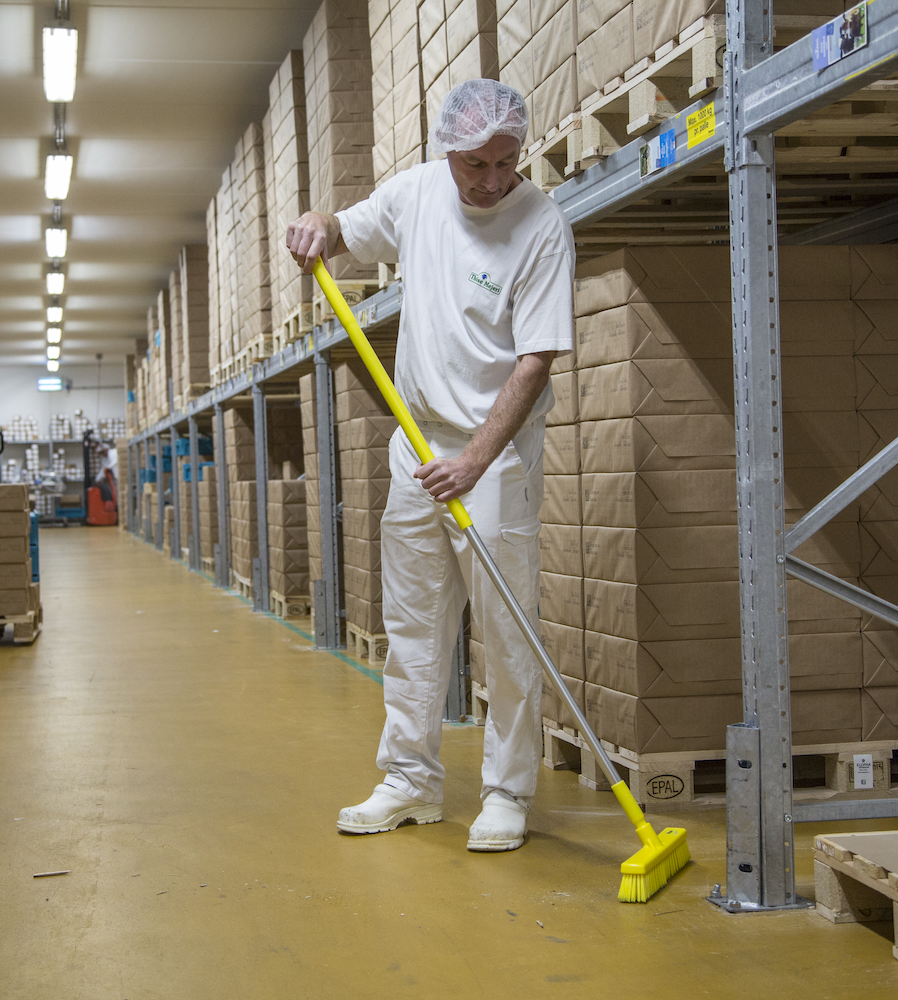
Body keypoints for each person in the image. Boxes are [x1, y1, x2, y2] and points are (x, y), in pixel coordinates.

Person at [286, 79, 574, 852]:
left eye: (506, 162)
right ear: (449, 151)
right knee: (414, 625)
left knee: (508, 633)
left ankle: (509, 792)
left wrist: (476, 460)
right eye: (475, 164)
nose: (491, 180)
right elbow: (342, 229)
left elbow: (537, 359)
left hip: (495, 455)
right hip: (415, 445)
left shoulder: (541, 226)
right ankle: (410, 782)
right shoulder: (417, 193)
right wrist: (316, 225)